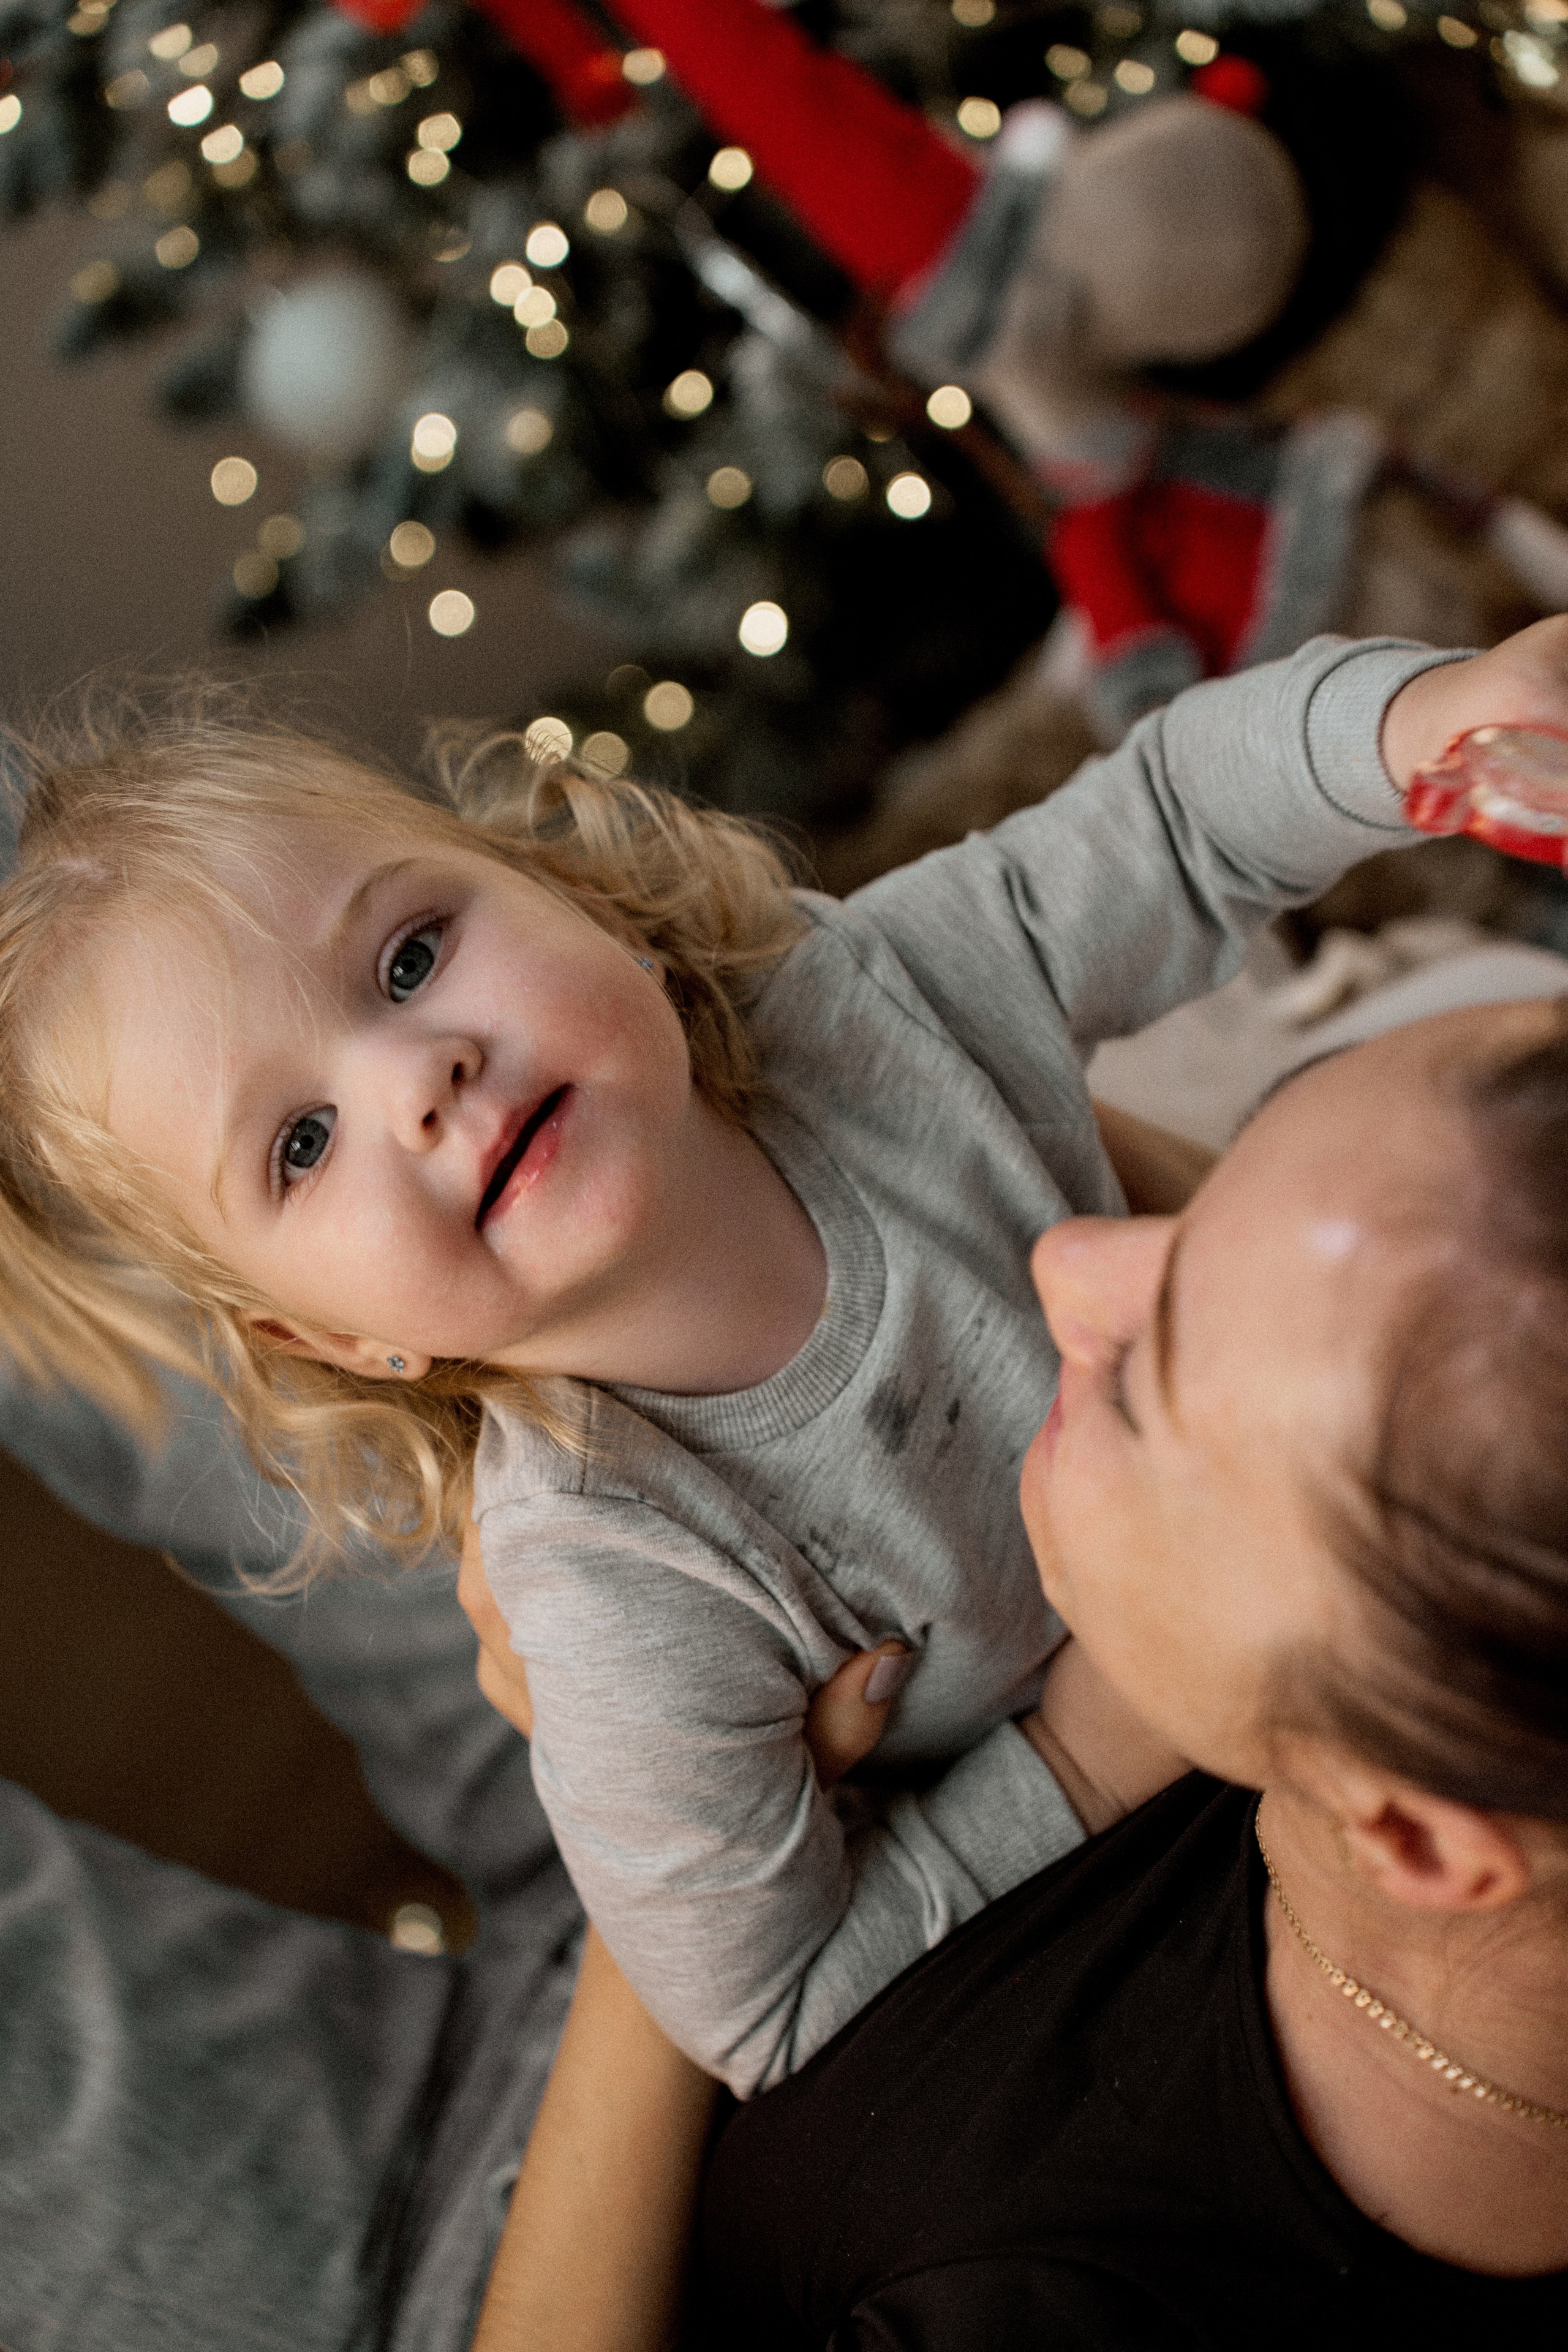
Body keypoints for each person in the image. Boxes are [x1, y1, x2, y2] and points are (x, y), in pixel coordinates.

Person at [0, 620, 1556, 2131]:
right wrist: (1092, 1742)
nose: (419, 1080)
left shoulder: (866, 1002)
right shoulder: (617, 1578)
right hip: (1151, 1853)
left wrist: (1430, 726)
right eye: (298, 1145)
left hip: (1323, 1454)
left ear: (561, 891)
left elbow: (1173, 815)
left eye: (411, 955)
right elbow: (766, 2012)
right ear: (339, 1343)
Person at [688, 974, 1568, 2341]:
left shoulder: (1036, 2286)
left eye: (1145, 1384)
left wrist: (652, 1828)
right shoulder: (1403, 1619)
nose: (1064, 1260)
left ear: (1416, 1842)